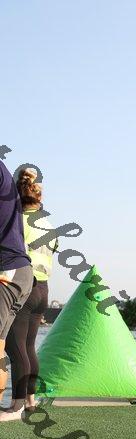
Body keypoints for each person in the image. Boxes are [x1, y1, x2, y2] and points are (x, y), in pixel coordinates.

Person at [1, 168, 58, 422]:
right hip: (43, 289)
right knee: (29, 347)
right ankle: (31, 401)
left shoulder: (18, 221)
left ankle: (16, 405)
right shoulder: (48, 225)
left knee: (15, 348)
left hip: (23, 283)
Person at [0, 161, 34, 421]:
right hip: (19, 272)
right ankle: (15, 406)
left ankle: (15, 406)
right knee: (2, 346)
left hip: (7, 271)